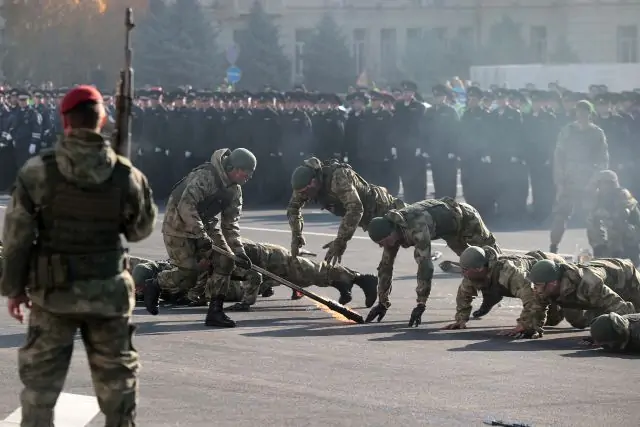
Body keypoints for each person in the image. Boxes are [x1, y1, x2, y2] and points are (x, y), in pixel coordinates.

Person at [0, 85, 157, 427]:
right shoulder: (125, 174)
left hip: (53, 294)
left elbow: (16, 238)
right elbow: (140, 230)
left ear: (65, 122)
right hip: (108, 294)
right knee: (118, 392)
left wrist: (13, 289)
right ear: (102, 121)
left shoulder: (38, 171)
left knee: (39, 392)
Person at [152, 147, 256, 328]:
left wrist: (238, 251)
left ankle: (215, 312)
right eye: (246, 172)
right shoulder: (205, 176)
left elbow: (230, 224)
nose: (248, 177)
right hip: (178, 224)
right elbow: (186, 206)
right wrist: (200, 235)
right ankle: (154, 284)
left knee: (226, 260)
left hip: (205, 224)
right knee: (189, 274)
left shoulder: (234, 191)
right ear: (233, 168)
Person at [364, 197, 499, 327]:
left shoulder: (416, 226)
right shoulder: (392, 234)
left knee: (493, 261)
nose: (382, 246)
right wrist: (382, 302)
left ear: (391, 233)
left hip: (466, 219)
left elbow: (425, 266)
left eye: (383, 242)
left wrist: (421, 304)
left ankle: (498, 292)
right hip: (449, 232)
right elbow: (385, 267)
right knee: (469, 265)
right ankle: (489, 293)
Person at [288, 156, 404, 264]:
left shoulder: (338, 178)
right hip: (366, 218)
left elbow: (355, 208)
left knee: (409, 231)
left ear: (314, 180)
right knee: (388, 259)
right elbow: (293, 208)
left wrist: (340, 241)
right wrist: (296, 236)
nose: (304, 195)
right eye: (301, 192)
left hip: (382, 207)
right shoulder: (304, 186)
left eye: (306, 191)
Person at [443, 246, 566, 338]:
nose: (462, 273)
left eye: (465, 269)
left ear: (479, 268)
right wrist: (461, 319)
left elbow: (531, 296)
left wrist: (526, 325)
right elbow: (464, 293)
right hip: (531, 284)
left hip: (551, 267)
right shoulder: (472, 274)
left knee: (566, 320)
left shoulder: (508, 272)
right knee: (546, 319)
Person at [549, 100, 609, 253]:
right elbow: (559, 156)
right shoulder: (567, 131)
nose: (581, 115)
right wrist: (559, 181)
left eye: (584, 111)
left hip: (589, 179)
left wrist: (596, 180)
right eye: (578, 111)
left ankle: (599, 249)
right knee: (561, 215)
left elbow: (603, 159)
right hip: (569, 179)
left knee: (594, 217)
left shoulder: (597, 133)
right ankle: (553, 247)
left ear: (590, 113)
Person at [586, 169, 640, 263]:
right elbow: (594, 217)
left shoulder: (622, 194)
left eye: (601, 183)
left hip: (631, 234)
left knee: (615, 222)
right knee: (593, 222)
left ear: (610, 183)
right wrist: (599, 245)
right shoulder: (600, 197)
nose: (598, 186)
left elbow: (622, 216)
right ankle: (602, 253)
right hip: (615, 234)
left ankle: (623, 254)